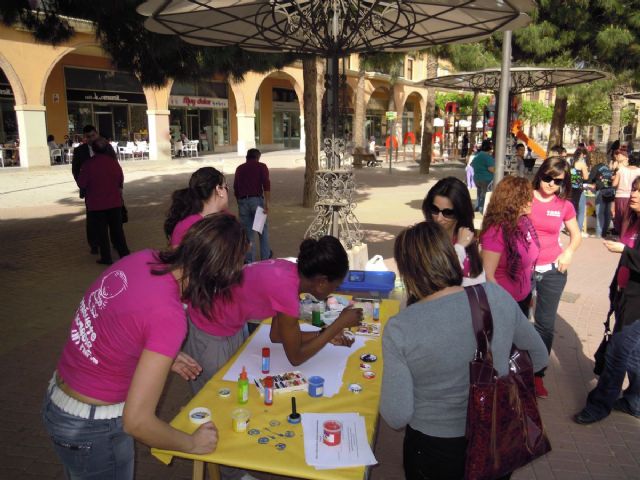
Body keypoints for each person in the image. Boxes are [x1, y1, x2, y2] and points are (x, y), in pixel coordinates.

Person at [42, 214, 248, 480]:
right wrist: (192, 443)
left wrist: (160, 354)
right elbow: (138, 422)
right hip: (93, 429)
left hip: (60, 404)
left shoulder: (143, 258)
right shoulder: (169, 317)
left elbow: (120, 323)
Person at [380, 221, 548, 480]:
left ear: (408, 273)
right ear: (449, 257)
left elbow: (396, 415)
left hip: (435, 446)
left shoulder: (401, 327)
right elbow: (538, 357)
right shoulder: (495, 296)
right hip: (495, 435)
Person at [172, 236, 364, 392]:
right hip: (208, 332)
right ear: (322, 282)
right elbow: (296, 356)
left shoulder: (288, 272)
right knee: (215, 397)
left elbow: (277, 335)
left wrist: (325, 335)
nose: (334, 290)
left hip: (228, 326)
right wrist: (337, 325)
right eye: (335, 285)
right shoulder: (287, 292)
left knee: (233, 390)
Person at [574, 175, 640, 424]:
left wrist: (625, 251)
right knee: (634, 355)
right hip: (626, 297)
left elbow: (631, 256)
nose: (633, 194)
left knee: (616, 355)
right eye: (634, 189)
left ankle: (599, 405)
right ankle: (635, 401)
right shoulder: (634, 221)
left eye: (639, 192)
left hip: (637, 305)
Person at [530, 156, 582, 398]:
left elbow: (576, 235)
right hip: (523, 269)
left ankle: (537, 375)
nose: (550, 183)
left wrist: (569, 252)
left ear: (563, 182)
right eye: (547, 177)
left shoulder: (564, 205)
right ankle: (513, 371)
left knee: (545, 325)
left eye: (556, 180)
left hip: (552, 270)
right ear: (540, 174)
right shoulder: (524, 197)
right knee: (516, 319)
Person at [480, 176, 539, 317]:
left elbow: (527, 265)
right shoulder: (495, 231)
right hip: (503, 304)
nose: (532, 202)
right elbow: (488, 276)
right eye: (526, 198)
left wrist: (528, 294)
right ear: (512, 201)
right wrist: (503, 306)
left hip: (522, 298)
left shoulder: (524, 224)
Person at [421, 177, 484, 286]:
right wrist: (459, 248)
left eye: (448, 213)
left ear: (461, 212)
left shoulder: (471, 240)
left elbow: (479, 280)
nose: (439, 218)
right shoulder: (423, 239)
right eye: (434, 209)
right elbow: (438, 281)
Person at [77, 137, 130, 265]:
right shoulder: (113, 163)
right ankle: (124, 254)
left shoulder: (88, 164)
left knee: (101, 232)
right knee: (117, 230)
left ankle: (106, 257)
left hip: (96, 204)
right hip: (114, 202)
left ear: (93, 150)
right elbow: (120, 180)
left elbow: (81, 183)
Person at [164, 167, 229, 246]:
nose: (227, 191)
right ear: (218, 189)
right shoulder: (187, 228)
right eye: (226, 187)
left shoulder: (183, 226)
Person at [234, 148, 271, 262]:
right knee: (262, 230)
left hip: (243, 201)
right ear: (258, 157)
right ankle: (265, 257)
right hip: (257, 202)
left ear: (247, 157)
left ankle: (249, 260)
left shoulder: (239, 168)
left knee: (247, 232)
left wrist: (239, 202)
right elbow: (266, 184)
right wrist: (267, 203)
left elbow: (236, 187)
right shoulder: (261, 166)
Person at [72, 125, 101, 254]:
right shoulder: (79, 151)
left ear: (97, 134)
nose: (91, 139)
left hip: (106, 188)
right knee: (92, 219)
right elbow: (75, 170)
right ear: (84, 138)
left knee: (110, 219)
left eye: (93, 136)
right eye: (88, 137)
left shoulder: (105, 147)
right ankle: (94, 244)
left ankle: (112, 242)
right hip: (90, 191)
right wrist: (81, 184)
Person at [588, 150, 615, 238]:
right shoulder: (607, 168)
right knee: (607, 213)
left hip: (601, 191)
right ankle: (604, 232)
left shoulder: (596, 167)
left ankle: (599, 234)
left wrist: (593, 184)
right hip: (610, 191)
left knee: (600, 214)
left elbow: (589, 179)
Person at [613, 151, 640, 235]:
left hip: (620, 196)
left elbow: (614, 184)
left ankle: (620, 236)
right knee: (630, 219)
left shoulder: (621, 170)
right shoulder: (639, 171)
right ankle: (627, 238)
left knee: (620, 218)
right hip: (634, 197)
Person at [568, 147, 590, 236]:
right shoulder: (582, 164)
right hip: (579, 188)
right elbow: (586, 177)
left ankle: (570, 229)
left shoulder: (571, 163)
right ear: (581, 155)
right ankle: (578, 230)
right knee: (581, 210)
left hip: (571, 188)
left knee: (573, 208)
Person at [471, 139, 495, 212]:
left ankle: (477, 207)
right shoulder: (487, 157)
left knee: (479, 193)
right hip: (486, 179)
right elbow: (491, 169)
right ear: (489, 148)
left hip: (477, 178)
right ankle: (482, 209)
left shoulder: (477, 155)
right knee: (485, 195)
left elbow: (472, 164)